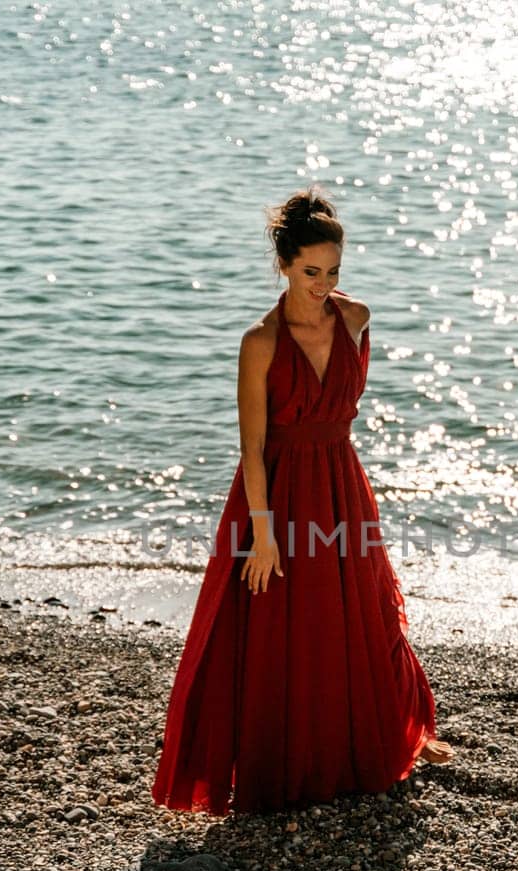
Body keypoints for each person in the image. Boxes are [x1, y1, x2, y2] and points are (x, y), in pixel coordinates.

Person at [151, 185, 454, 816]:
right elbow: (253, 446)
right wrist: (263, 533)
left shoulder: (356, 318)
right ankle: (285, 760)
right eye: (311, 271)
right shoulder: (260, 341)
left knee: (364, 609)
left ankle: (398, 728)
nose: (323, 284)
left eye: (333, 271)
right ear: (284, 265)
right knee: (286, 626)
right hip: (279, 493)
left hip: (342, 483)